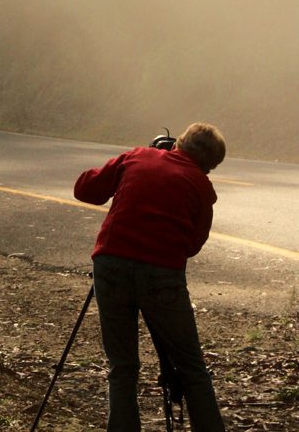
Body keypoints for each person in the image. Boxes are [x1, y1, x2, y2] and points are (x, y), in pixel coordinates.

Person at [73, 123, 227, 432]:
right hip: (162, 276)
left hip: (111, 265)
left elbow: (85, 189)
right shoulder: (201, 186)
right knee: (191, 368)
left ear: (177, 144)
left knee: (122, 367)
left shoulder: (137, 157)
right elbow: (193, 245)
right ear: (209, 165)